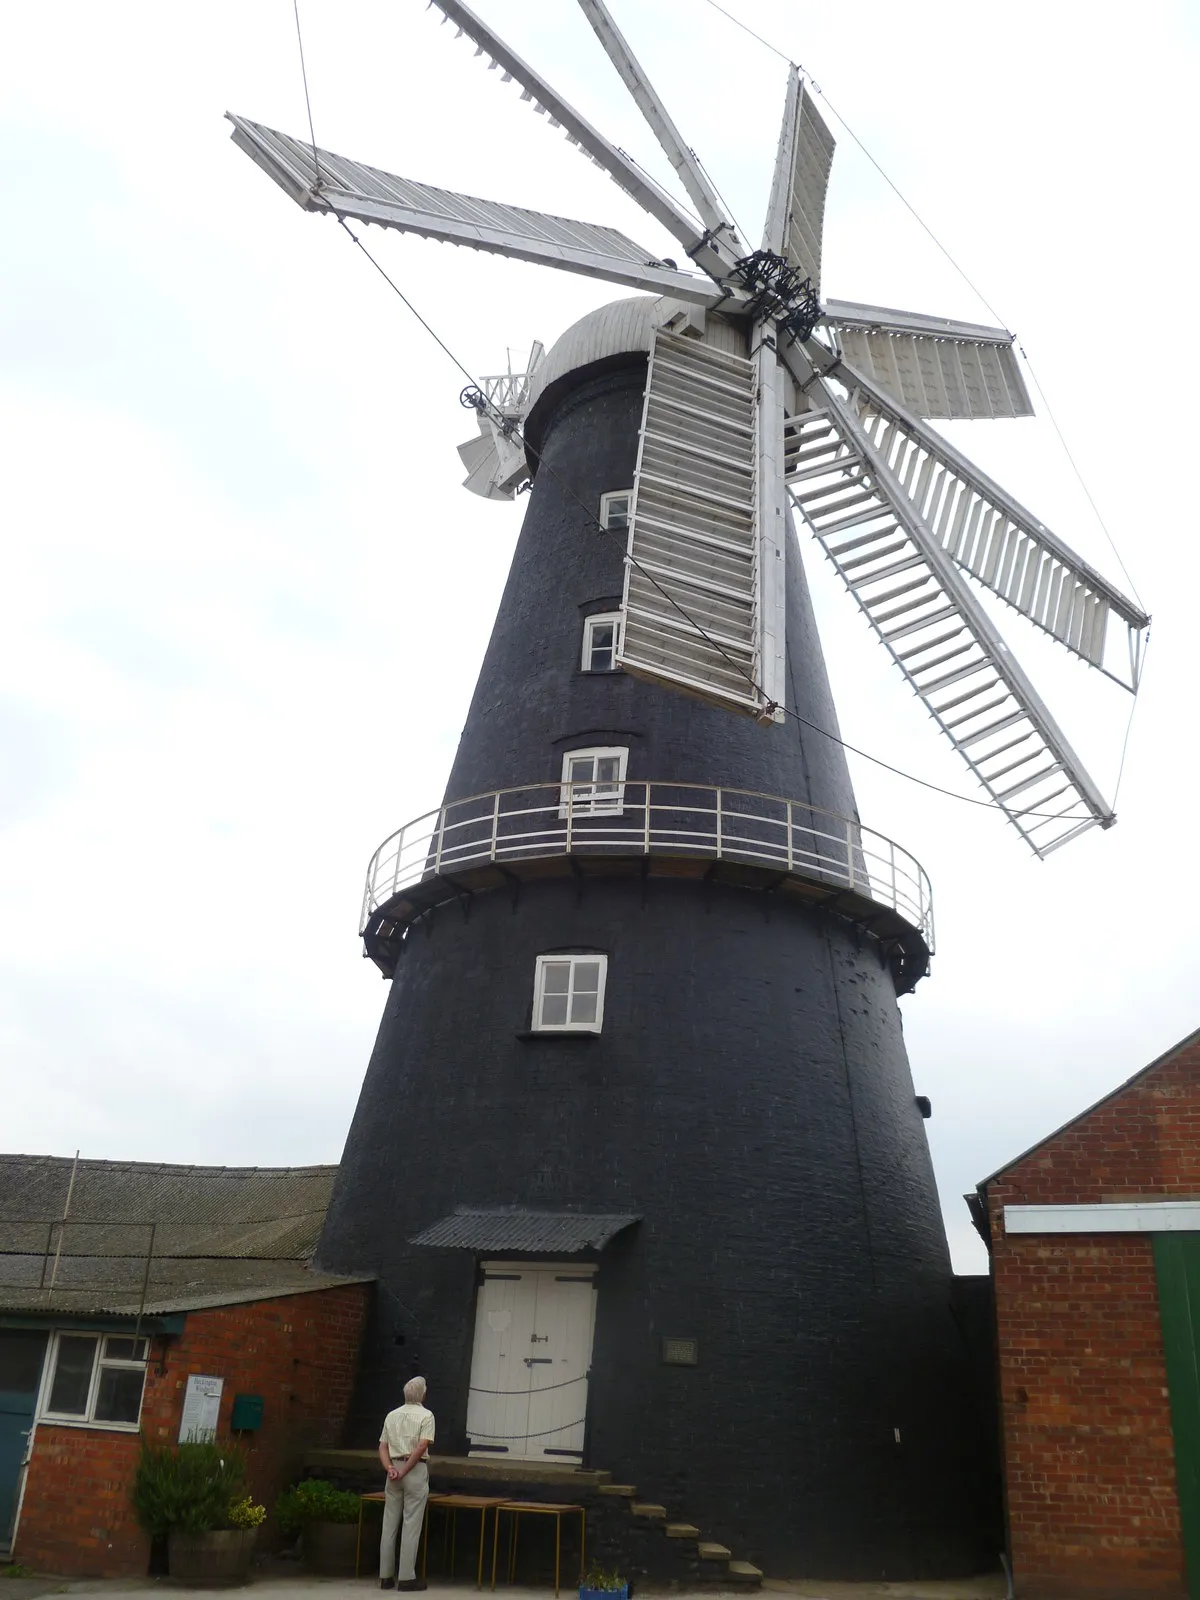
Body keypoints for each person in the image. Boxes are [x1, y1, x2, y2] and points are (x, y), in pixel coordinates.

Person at [378, 1375, 435, 1591]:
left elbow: (382, 1446)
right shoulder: (427, 1416)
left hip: (393, 1471)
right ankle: (406, 1577)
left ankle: (385, 1576)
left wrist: (390, 1468)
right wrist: (405, 1470)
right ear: (423, 1394)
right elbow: (422, 1446)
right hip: (415, 1470)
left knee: (389, 1522)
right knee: (411, 1524)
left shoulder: (391, 1415)